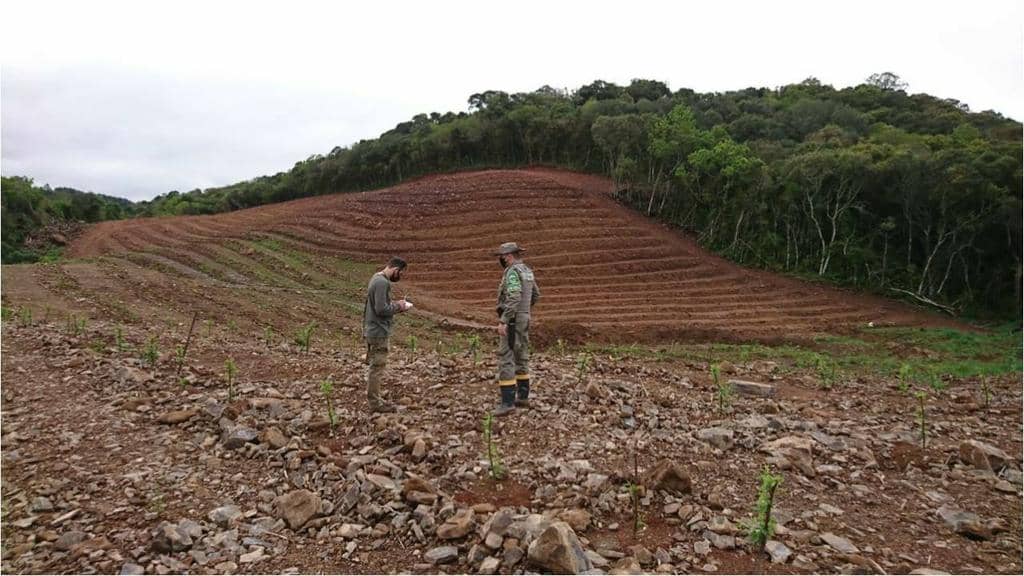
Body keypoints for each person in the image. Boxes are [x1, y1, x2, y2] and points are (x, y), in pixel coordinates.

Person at [493, 242, 540, 416]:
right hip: (525, 317)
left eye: (502, 256)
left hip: (513, 319)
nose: (501, 259)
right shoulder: (527, 271)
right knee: (521, 354)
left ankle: (507, 403)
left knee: (506, 356)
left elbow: (513, 297)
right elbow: (536, 295)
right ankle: (523, 396)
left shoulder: (513, 272)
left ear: (508, 256)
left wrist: (505, 320)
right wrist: (525, 311)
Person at [363, 257, 412, 413]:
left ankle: (375, 398)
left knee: (376, 366)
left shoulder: (376, 278)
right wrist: (400, 306)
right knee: (377, 367)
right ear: (395, 269)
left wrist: (395, 304)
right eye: (400, 273)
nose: (399, 276)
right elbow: (381, 309)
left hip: (373, 329)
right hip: (378, 331)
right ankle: (375, 404)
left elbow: (381, 305)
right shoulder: (382, 282)